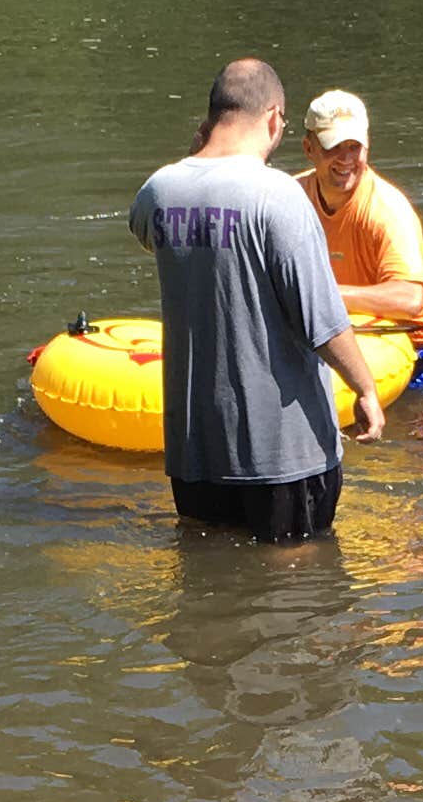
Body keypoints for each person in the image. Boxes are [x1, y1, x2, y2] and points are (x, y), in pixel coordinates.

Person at [127, 57, 386, 543]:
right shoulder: (278, 195)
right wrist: (365, 388)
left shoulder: (158, 191)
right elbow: (321, 320)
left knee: (204, 563)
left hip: (194, 452)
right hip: (282, 455)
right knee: (298, 573)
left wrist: (195, 154)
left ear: (212, 118)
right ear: (272, 117)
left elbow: (147, 235)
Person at [296, 91, 423, 342]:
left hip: (418, 340)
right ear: (309, 148)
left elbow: (409, 299)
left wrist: (319, 295)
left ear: (367, 145)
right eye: (333, 147)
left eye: (354, 147)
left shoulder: (388, 211)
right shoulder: (289, 197)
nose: (346, 159)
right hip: (344, 324)